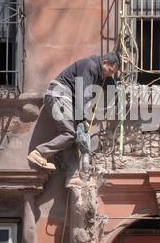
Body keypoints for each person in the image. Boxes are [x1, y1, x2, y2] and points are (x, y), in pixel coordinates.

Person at [27, 52, 120, 186]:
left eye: (112, 73)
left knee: (74, 136)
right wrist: (83, 120)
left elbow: (109, 84)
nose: (109, 74)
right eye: (110, 71)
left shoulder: (99, 73)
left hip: (65, 99)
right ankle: (39, 153)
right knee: (70, 134)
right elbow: (83, 93)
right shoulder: (90, 65)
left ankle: (72, 176)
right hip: (59, 96)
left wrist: (116, 92)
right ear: (104, 63)